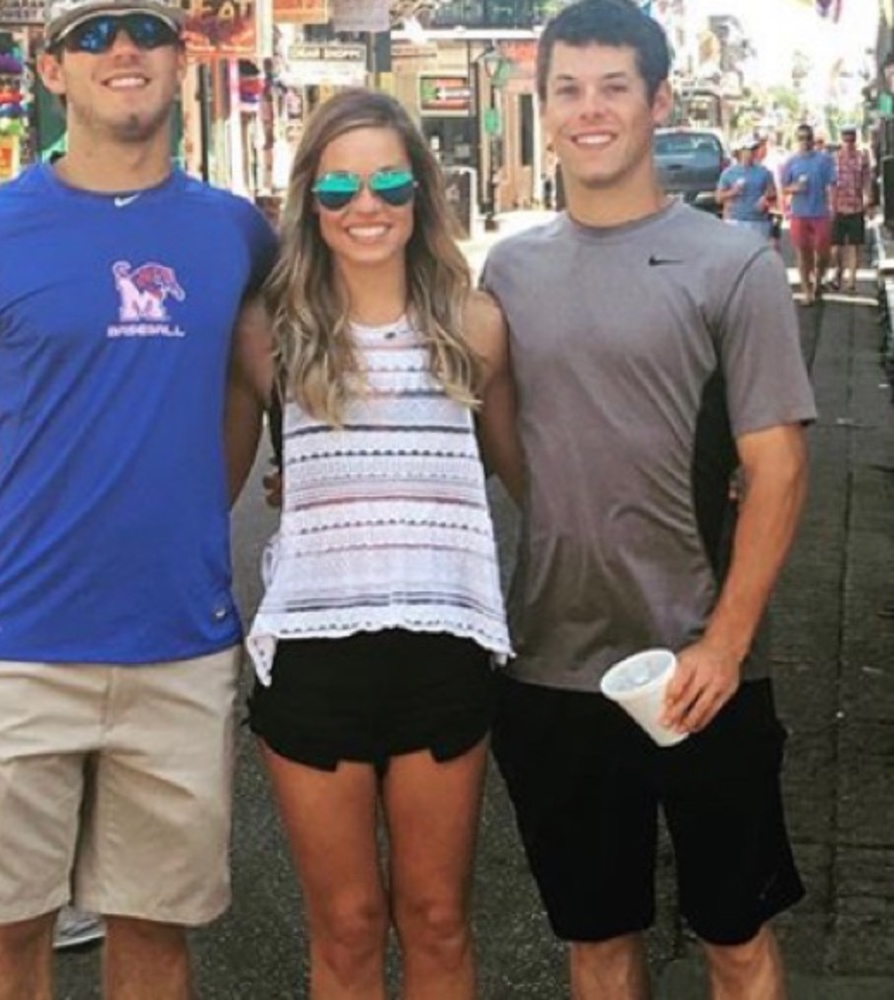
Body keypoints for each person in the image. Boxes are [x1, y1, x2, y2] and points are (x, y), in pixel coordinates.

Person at [0, 0, 276, 997]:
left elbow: (248, 388)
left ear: (183, 61)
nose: (124, 49)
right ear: (52, 70)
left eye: (146, 29)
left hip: (178, 646)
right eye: (94, 33)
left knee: (154, 934)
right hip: (13, 648)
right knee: (8, 935)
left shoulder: (235, 233)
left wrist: (197, 511)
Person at [482, 2, 816, 998]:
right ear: (545, 107)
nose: (589, 112)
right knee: (595, 940)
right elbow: (509, 446)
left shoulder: (732, 265)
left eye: (612, 88)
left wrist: (724, 639)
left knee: (734, 935)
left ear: (656, 101)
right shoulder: (509, 268)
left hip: (700, 665)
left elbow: (781, 467)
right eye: (568, 90)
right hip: (553, 667)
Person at [228, 87, 519, 998]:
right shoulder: (267, 336)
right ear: (307, 201)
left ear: (423, 193)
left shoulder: (475, 328)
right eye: (340, 187)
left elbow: (535, 476)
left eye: (390, 181)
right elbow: (202, 483)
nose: (367, 206)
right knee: (347, 929)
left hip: (444, 645)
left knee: (437, 921)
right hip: (312, 658)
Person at [781, 122, 837, 305]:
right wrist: (794, 188)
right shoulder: (791, 162)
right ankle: (807, 291)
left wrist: (833, 207)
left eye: (807, 138)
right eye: (801, 138)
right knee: (802, 252)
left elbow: (832, 184)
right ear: (797, 140)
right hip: (800, 213)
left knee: (823, 253)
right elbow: (784, 187)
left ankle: (818, 280)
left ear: (813, 140)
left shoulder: (824, 160)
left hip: (820, 212)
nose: (804, 142)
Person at [828, 124, 873, 294]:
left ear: (855, 138)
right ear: (842, 139)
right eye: (846, 137)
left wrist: (868, 199)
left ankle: (852, 281)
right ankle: (839, 272)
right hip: (839, 207)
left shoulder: (862, 157)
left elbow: (867, 180)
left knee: (855, 245)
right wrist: (831, 205)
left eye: (851, 137)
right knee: (836, 248)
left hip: (856, 207)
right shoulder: (835, 158)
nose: (849, 141)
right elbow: (831, 184)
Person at [715, 135, 777, 240]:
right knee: (736, 254)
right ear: (741, 151)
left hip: (758, 221)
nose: (753, 152)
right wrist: (733, 192)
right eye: (750, 149)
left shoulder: (764, 172)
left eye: (755, 149)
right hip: (735, 220)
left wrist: (766, 199)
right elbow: (718, 198)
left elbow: (773, 195)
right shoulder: (729, 173)